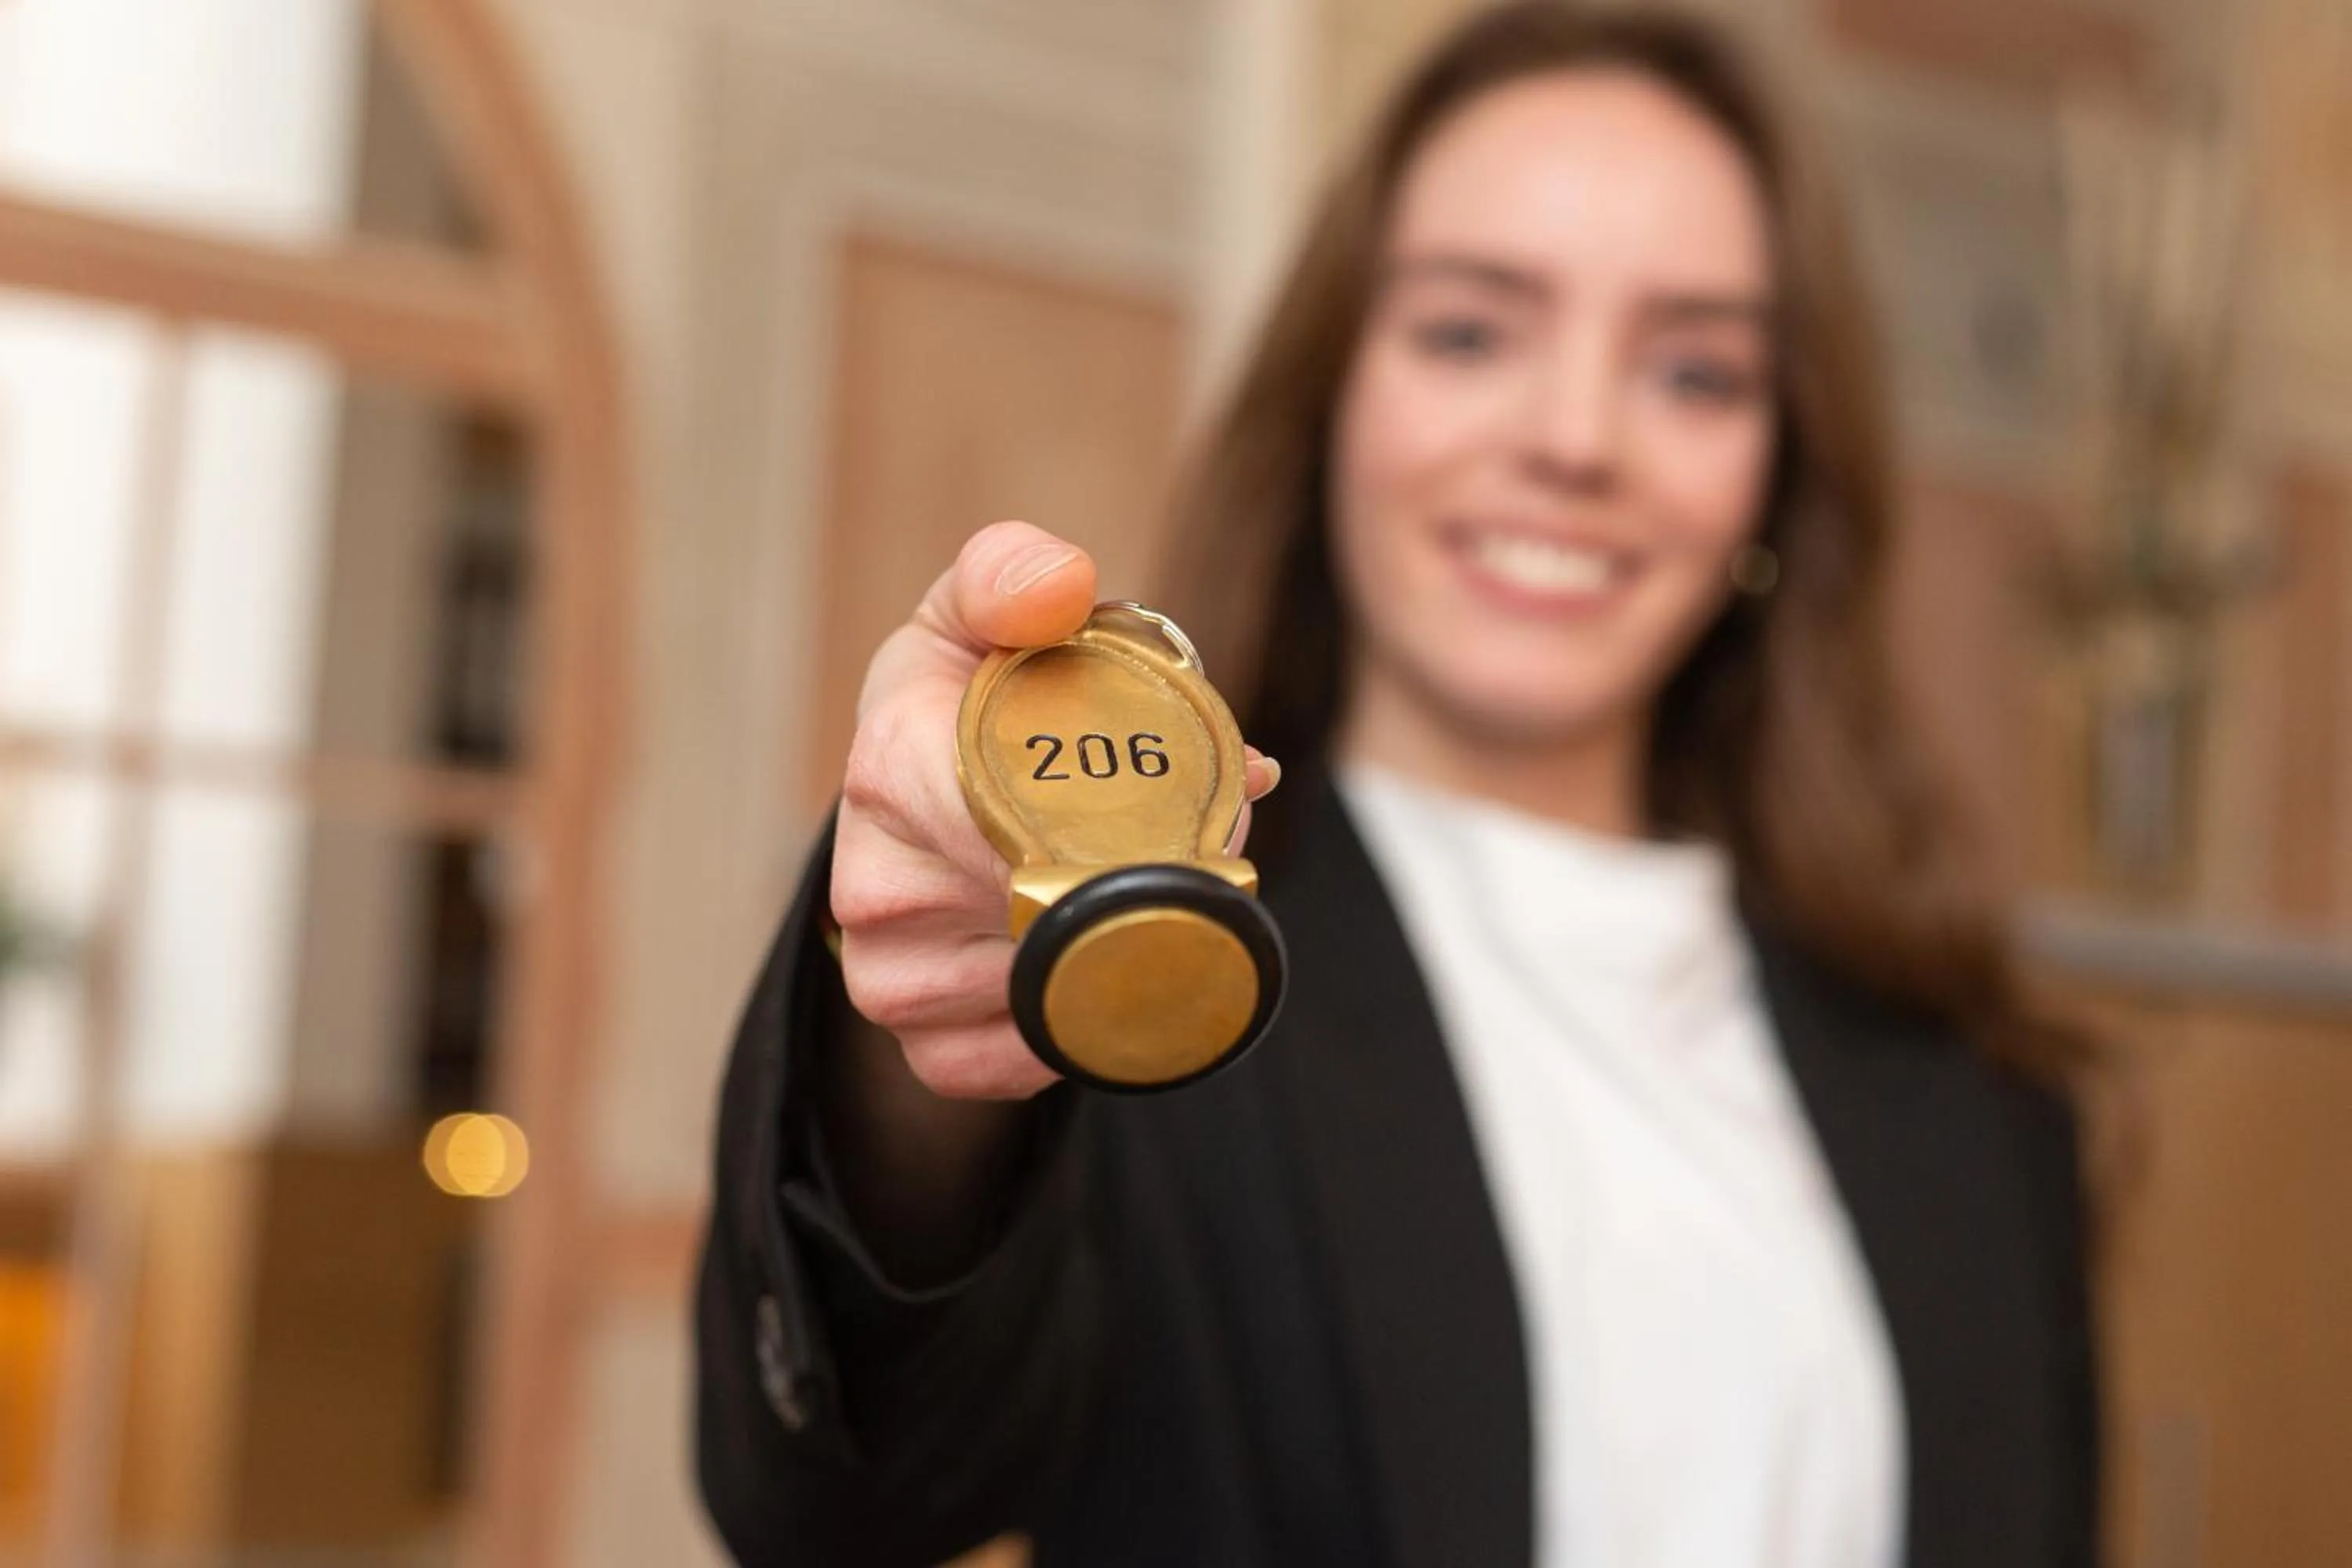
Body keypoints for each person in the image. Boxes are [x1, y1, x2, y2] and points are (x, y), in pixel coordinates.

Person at [695, 5, 2100, 1566]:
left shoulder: (1969, 1083)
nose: (1575, 439)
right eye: (1469, 331)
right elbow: (843, 1493)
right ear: (1331, 404)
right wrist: (918, 1049)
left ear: (1777, 473)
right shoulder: (1159, 998)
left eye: (1695, 370)